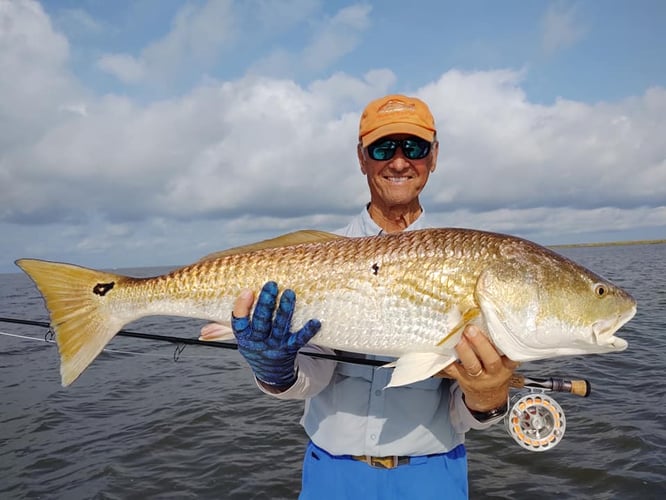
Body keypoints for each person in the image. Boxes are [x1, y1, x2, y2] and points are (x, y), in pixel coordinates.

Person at [203, 95, 518, 499]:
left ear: (434, 156)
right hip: (331, 475)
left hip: (432, 473)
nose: (400, 161)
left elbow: (467, 415)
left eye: (415, 148)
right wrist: (274, 370)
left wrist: (489, 394)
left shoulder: (471, 263)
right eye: (384, 148)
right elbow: (310, 381)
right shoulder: (315, 256)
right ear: (362, 157)